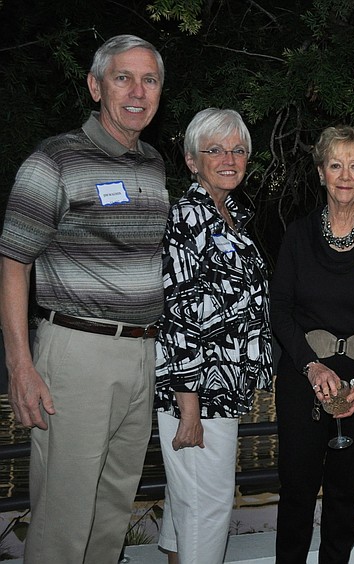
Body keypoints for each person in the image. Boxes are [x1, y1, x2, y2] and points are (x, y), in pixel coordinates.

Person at [0, 35, 167, 562]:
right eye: (123, 78)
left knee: (113, 511)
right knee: (64, 517)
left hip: (141, 354)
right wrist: (20, 365)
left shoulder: (153, 163)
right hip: (76, 354)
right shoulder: (52, 161)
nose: (137, 92)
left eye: (150, 79)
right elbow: (12, 263)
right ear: (96, 86)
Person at [270, 125, 354, 563]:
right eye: (335, 165)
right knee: (296, 493)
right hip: (303, 381)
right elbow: (280, 311)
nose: (345, 175)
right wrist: (312, 367)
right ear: (320, 173)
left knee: (345, 494)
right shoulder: (297, 236)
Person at [154, 108, 273, 563]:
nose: (229, 158)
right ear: (190, 160)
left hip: (220, 388)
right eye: (215, 149)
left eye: (238, 149)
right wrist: (190, 409)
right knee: (209, 506)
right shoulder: (188, 219)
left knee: (188, 501)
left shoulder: (232, 215)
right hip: (200, 392)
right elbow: (178, 315)